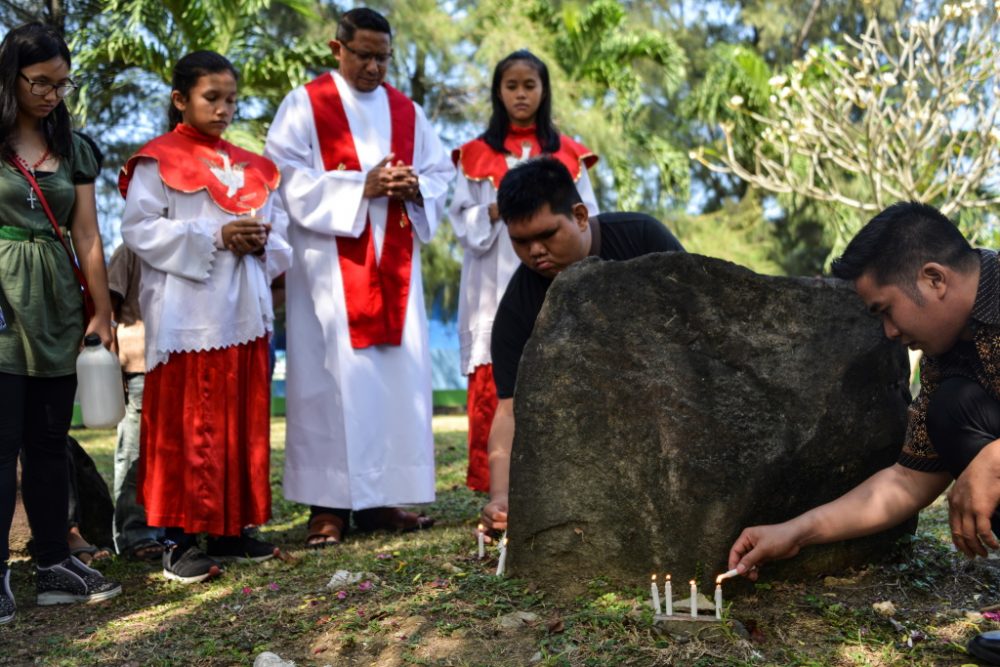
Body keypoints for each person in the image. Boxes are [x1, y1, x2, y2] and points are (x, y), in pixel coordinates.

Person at [725, 202, 1000, 665]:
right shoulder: (947, 360)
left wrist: (994, 458)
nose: (889, 332)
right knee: (954, 409)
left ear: (935, 278)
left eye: (886, 310)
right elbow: (907, 481)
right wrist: (795, 533)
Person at [265, 7, 454, 548]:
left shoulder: (408, 112)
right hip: (328, 270)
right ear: (336, 48)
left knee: (393, 382)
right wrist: (360, 187)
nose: (374, 67)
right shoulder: (305, 105)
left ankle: (381, 500)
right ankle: (327, 507)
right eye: (364, 55)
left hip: (394, 266)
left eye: (383, 58)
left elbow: (443, 174)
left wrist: (414, 184)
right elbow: (284, 178)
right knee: (329, 384)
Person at [120, 50, 291, 583]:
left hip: (243, 313)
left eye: (230, 100)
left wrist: (262, 242)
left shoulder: (254, 168)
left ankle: (228, 531)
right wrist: (216, 235)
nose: (222, 110)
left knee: (236, 422)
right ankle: (176, 540)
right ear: (181, 99)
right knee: (187, 425)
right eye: (210, 98)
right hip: (186, 317)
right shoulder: (157, 161)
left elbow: (280, 237)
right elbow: (139, 230)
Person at [479, 157, 685, 534]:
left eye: (547, 235)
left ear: (579, 215)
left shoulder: (643, 238)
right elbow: (509, 410)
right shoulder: (516, 311)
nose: (535, 251)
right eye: (520, 242)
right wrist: (501, 497)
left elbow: (697, 320)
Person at [0, 22, 121, 624]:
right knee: (1, 445)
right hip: (2, 298)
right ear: (10, 77)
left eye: (60, 83)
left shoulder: (73, 146)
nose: (51, 94)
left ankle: (53, 565)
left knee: (48, 442)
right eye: (39, 82)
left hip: (57, 300)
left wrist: (101, 311)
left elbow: (89, 236)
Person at [450, 50, 598, 494]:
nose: (520, 94)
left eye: (529, 86)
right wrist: (497, 210)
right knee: (498, 376)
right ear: (498, 92)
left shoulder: (568, 153)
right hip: (491, 278)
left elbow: (587, 215)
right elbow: (461, 220)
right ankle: (492, 485)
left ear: (544, 90)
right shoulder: (475, 155)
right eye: (511, 86)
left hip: (553, 276)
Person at [106, 242, 164, 561]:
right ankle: (133, 533)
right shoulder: (129, 251)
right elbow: (108, 305)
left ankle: (165, 526)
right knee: (134, 453)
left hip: (172, 363)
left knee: (168, 453)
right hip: (139, 365)